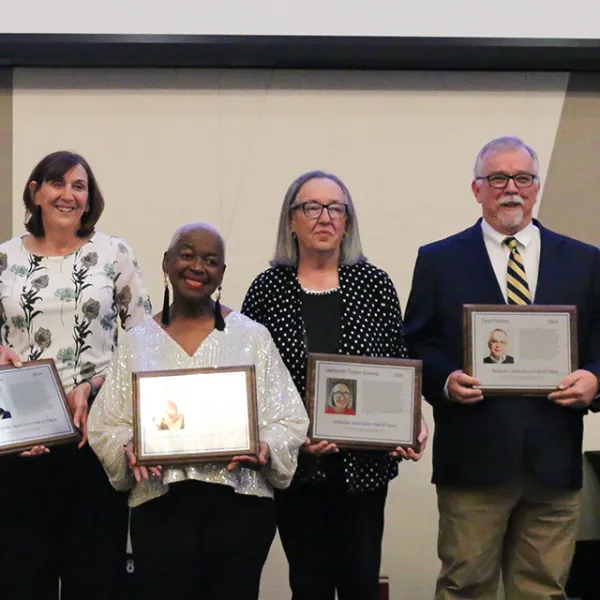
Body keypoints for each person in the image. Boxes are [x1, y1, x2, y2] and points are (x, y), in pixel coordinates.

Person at [404, 136, 600, 600]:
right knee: (464, 587)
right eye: (497, 178)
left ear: (536, 187)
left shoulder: (586, 260)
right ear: (477, 189)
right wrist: (447, 380)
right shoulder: (438, 259)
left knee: (543, 590)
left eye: (522, 178)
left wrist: (595, 377)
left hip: (554, 460)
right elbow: (416, 342)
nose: (510, 188)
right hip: (473, 459)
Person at [88, 222, 309, 600]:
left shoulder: (251, 336)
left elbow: (289, 417)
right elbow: (107, 423)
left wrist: (266, 448)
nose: (197, 267)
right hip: (159, 506)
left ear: (222, 272)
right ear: (167, 262)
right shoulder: (137, 342)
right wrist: (128, 445)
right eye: (187, 254)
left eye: (210, 260)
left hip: (240, 506)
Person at [241, 170, 428, 600]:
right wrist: (289, 437)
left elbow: (399, 365)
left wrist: (413, 421)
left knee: (361, 582)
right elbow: (253, 381)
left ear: (347, 221)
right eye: (312, 207)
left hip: (363, 468)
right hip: (297, 470)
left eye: (335, 208)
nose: (324, 217)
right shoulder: (267, 290)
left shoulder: (375, 285)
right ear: (292, 220)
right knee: (309, 584)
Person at [0, 150, 151, 600]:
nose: (68, 194)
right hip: (21, 443)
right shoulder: (4, 257)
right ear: (35, 192)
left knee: (95, 575)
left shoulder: (113, 252)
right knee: (22, 576)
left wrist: (96, 385)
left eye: (78, 186)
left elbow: (143, 341)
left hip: (96, 438)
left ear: (89, 199)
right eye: (57, 183)